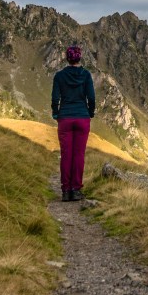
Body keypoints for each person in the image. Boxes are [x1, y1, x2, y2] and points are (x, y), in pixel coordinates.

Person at [51, 45, 95, 201]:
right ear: (80, 57)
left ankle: (65, 191)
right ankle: (76, 190)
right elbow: (91, 97)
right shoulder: (86, 75)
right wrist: (90, 112)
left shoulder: (59, 76)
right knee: (78, 155)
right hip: (82, 118)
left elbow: (55, 98)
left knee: (66, 155)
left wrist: (56, 113)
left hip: (65, 118)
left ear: (67, 58)